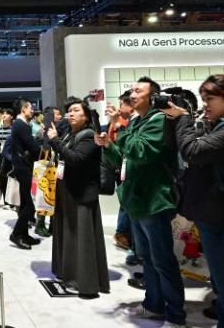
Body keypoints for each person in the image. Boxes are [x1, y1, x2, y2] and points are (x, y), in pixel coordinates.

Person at [166, 75, 224, 328]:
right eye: (203, 99)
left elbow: (193, 152)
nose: (205, 104)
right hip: (214, 218)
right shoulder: (221, 125)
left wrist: (184, 118)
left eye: (210, 99)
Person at [97, 77, 186, 327]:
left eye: (138, 91)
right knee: (147, 258)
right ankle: (153, 304)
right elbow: (124, 157)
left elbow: (141, 151)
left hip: (153, 200)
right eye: (132, 90)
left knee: (163, 261)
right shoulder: (137, 121)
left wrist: (120, 128)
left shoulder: (158, 120)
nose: (132, 94)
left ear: (152, 96)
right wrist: (107, 145)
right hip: (136, 199)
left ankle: (176, 316)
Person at [46, 96, 110, 299]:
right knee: (70, 236)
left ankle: (87, 285)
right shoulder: (70, 134)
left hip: (82, 194)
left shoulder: (89, 135)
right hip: (68, 192)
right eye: (69, 111)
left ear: (86, 115)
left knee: (83, 240)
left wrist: (55, 140)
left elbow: (75, 159)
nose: (71, 114)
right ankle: (69, 275)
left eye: (75, 110)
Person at [9, 98, 42, 249]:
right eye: (30, 108)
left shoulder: (20, 124)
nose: (33, 110)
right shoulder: (21, 125)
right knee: (30, 204)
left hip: (22, 166)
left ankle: (24, 234)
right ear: (23, 109)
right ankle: (16, 234)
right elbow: (34, 147)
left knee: (25, 202)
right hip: (23, 167)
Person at [106, 91, 134, 251]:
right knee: (125, 201)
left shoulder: (126, 121)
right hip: (121, 166)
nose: (119, 107)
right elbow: (118, 144)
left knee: (126, 202)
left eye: (121, 104)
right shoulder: (121, 121)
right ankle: (122, 234)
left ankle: (123, 234)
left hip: (123, 166)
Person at [0, 109, 13, 204]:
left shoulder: (13, 130)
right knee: (2, 178)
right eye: (3, 114)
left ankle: (12, 199)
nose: (4, 115)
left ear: (11, 117)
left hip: (11, 157)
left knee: (11, 178)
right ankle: (6, 200)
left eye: (7, 114)